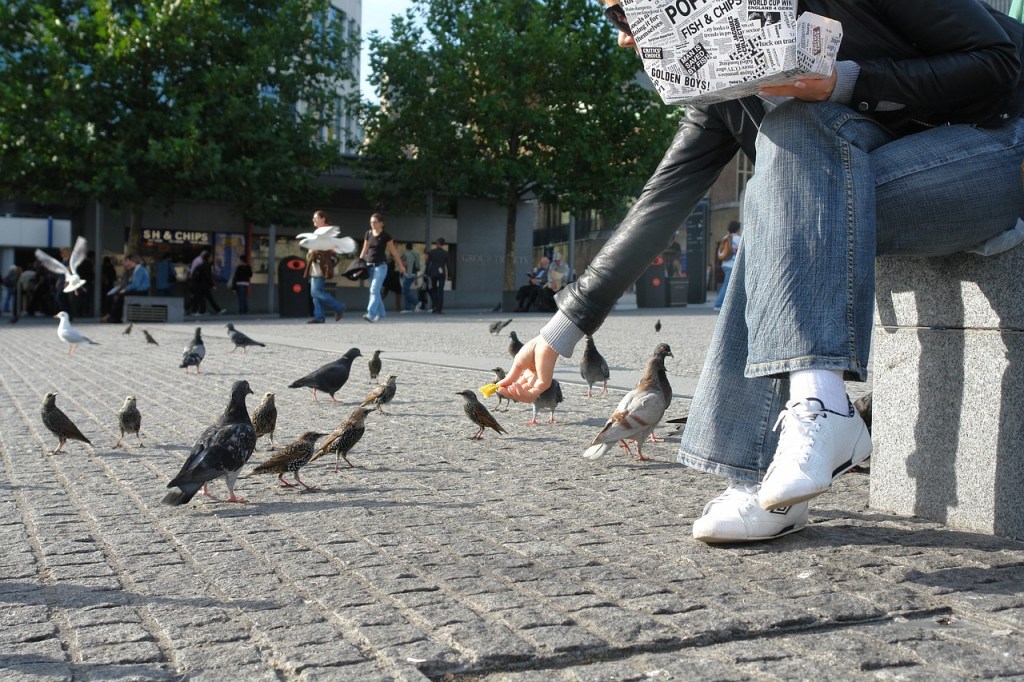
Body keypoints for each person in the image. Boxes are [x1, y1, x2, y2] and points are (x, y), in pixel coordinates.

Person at [500, 0, 1024, 544]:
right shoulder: (725, 78)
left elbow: (997, 61)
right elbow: (664, 199)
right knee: (791, 154)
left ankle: (760, 465)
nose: (624, 40)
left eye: (624, 16)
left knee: (790, 201)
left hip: (1000, 138)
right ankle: (807, 430)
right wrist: (560, 331)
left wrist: (843, 81)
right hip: (877, 168)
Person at [358, 213, 405, 322]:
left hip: (381, 266)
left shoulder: (386, 236)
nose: (372, 224)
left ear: (381, 223)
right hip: (369, 266)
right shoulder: (368, 234)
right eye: (371, 222)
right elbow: (364, 250)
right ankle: (382, 313)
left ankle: (370, 314)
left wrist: (401, 265)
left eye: (375, 222)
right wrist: (359, 263)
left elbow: (394, 252)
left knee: (374, 289)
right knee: (374, 291)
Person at [103, 254, 150, 323]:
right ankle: (112, 316)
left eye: (128, 261)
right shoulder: (136, 270)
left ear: (133, 261)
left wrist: (125, 289)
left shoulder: (140, 270)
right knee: (115, 296)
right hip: (138, 290)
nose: (127, 263)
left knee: (118, 297)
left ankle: (115, 317)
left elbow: (136, 284)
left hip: (141, 291)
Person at [713, 221, 742, 310]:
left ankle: (730, 305)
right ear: (737, 229)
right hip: (732, 265)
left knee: (730, 285)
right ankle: (718, 304)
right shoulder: (738, 238)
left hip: (725, 264)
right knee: (727, 285)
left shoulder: (725, 238)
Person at [189, 251, 224, 315]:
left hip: (201, 285)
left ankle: (204, 311)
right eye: (211, 257)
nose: (212, 258)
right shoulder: (206, 265)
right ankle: (194, 310)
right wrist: (212, 285)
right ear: (208, 258)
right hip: (201, 285)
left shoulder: (204, 265)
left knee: (202, 298)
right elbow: (208, 276)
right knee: (198, 298)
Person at [424, 237, 450, 314]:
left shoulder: (432, 252)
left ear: (437, 243)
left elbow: (428, 263)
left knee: (434, 289)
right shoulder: (446, 253)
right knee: (441, 290)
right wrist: (450, 274)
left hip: (433, 273)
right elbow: (448, 264)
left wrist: (426, 272)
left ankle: (434, 306)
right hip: (442, 274)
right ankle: (440, 308)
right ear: (443, 244)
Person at [400, 242, 422, 313]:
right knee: (406, 290)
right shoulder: (416, 254)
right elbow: (417, 267)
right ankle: (407, 308)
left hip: (407, 274)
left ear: (406, 247)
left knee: (405, 291)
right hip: (413, 274)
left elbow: (401, 262)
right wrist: (416, 276)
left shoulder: (405, 254)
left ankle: (416, 303)